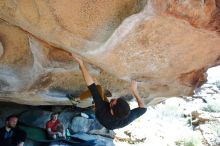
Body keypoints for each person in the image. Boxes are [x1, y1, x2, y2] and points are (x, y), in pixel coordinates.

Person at [72, 54, 147, 130]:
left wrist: (81, 64)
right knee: (101, 93)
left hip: (100, 115)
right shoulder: (127, 116)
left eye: (114, 101)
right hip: (110, 118)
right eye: (117, 99)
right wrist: (134, 90)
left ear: (112, 110)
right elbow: (143, 108)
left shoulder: (102, 109)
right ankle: (103, 95)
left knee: (98, 88)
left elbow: (91, 86)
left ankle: (77, 100)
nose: (114, 98)